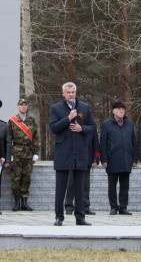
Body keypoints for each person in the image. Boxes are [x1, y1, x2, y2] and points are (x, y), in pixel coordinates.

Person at [49, 81, 95, 226]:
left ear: (76, 92)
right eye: (68, 92)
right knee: (61, 188)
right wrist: (68, 118)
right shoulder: (56, 108)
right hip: (63, 152)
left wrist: (82, 128)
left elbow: (93, 127)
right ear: (63, 94)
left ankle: (80, 217)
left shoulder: (84, 107)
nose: (70, 94)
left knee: (80, 188)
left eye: (73, 92)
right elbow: (54, 128)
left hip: (80, 152)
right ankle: (59, 217)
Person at [99, 100, 136, 216]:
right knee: (112, 185)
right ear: (113, 111)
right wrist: (103, 159)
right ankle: (114, 206)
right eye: (119, 109)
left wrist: (134, 159)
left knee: (125, 186)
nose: (121, 111)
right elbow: (103, 143)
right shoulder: (106, 124)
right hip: (112, 160)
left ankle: (123, 207)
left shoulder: (129, 124)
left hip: (126, 159)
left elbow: (134, 142)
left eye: (123, 110)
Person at [7, 97, 38, 211]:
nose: (23, 106)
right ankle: (16, 203)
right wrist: (9, 154)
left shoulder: (32, 120)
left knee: (26, 178)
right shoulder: (12, 120)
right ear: (18, 106)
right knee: (16, 178)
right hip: (16, 153)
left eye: (25, 105)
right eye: (21, 105)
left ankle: (24, 202)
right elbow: (9, 139)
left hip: (28, 154)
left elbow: (36, 138)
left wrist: (36, 153)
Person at [64, 110, 98, 216]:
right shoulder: (73, 125)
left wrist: (96, 159)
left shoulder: (91, 128)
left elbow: (95, 144)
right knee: (71, 183)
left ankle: (85, 206)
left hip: (87, 159)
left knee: (85, 184)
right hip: (73, 158)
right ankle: (69, 206)